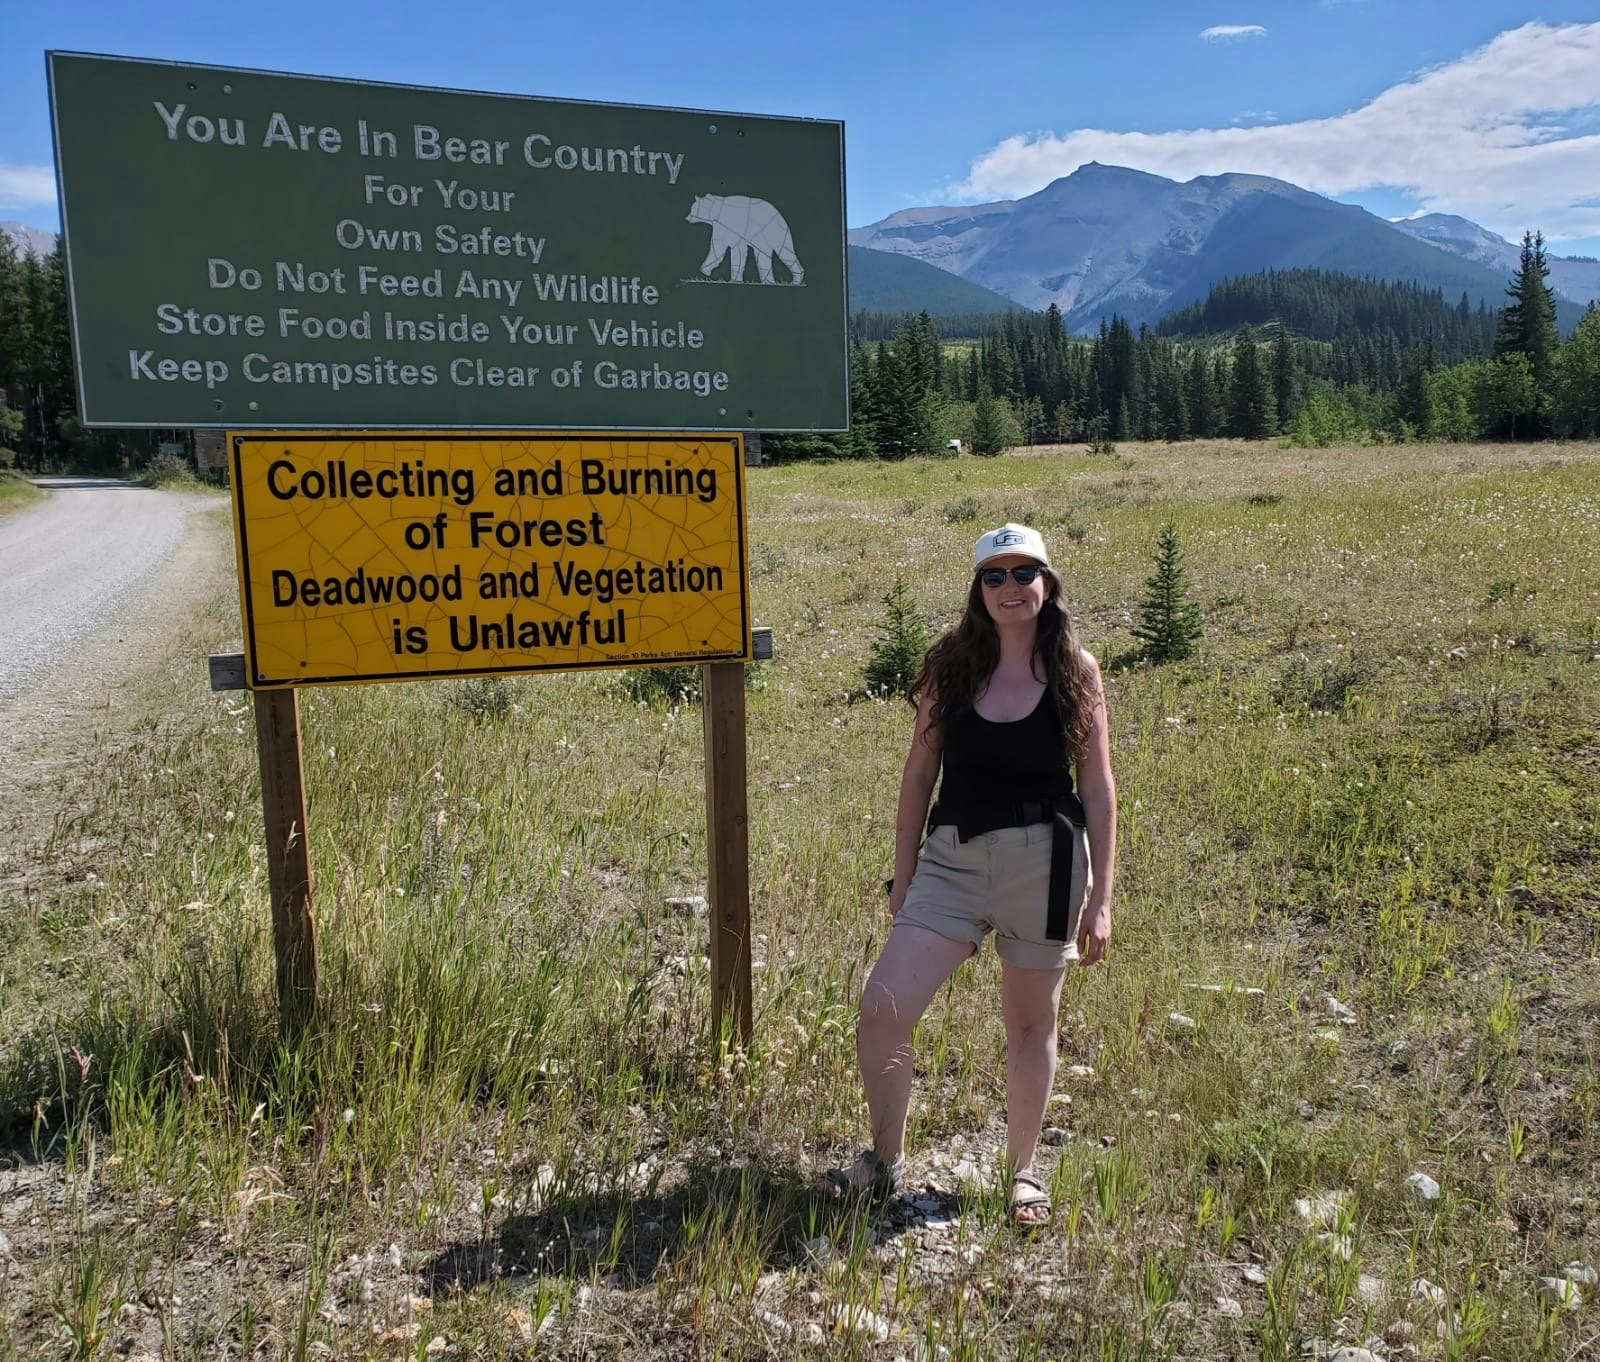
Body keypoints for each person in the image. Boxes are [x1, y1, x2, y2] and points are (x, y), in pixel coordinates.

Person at [841, 523, 1116, 1224]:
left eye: (1025, 572)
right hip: (953, 862)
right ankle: (883, 1160)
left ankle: (1023, 1172)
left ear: (1048, 584)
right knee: (884, 1008)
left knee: (1030, 1024)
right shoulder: (950, 666)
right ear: (977, 590)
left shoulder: (1077, 670)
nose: (1010, 587)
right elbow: (918, 773)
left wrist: (1102, 900)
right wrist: (902, 876)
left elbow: (1099, 786)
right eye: (994, 575)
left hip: (1047, 866)